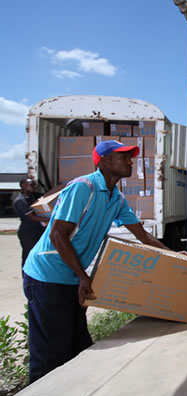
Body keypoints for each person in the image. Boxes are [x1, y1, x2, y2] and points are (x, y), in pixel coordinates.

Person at [22, 140, 171, 383]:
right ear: (103, 161)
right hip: (46, 277)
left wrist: (174, 255)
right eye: (122, 157)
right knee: (51, 352)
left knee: (77, 346)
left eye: (130, 157)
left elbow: (142, 235)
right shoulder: (84, 188)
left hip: (71, 276)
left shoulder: (116, 198)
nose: (129, 161)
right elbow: (57, 234)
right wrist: (83, 276)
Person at [13, 178, 48, 266]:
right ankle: (26, 277)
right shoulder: (20, 201)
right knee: (28, 255)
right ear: (23, 186)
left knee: (39, 255)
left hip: (37, 230)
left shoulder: (33, 196)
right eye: (32, 185)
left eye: (34, 185)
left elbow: (49, 194)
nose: (34, 187)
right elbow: (32, 217)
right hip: (28, 232)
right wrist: (50, 219)